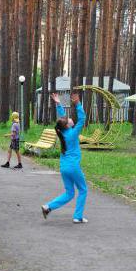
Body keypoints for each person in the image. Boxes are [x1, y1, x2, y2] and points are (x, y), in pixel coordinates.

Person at [41, 92, 88, 223]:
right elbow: (82, 118)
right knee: (83, 190)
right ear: (68, 125)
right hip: (73, 167)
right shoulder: (72, 133)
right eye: (68, 120)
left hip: (64, 168)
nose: (70, 119)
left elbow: (61, 118)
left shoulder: (63, 132)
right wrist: (78, 103)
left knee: (69, 193)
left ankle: (48, 207)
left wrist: (58, 103)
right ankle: (77, 216)